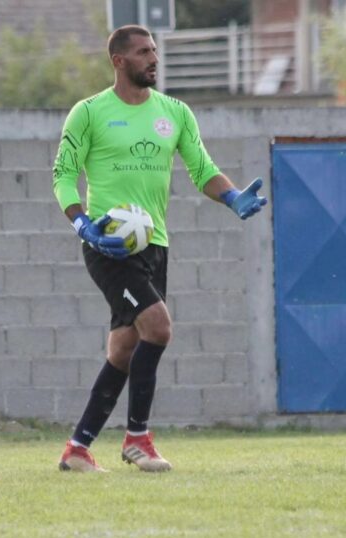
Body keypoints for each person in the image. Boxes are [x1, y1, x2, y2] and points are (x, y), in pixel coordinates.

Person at [52, 25, 266, 473]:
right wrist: (84, 226)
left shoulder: (175, 112)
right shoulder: (88, 113)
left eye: (154, 50)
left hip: (155, 245)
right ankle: (138, 439)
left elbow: (202, 169)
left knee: (123, 350)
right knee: (158, 327)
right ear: (118, 61)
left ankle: (77, 449)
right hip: (109, 246)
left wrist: (232, 197)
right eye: (142, 52)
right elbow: (64, 176)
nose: (153, 58)